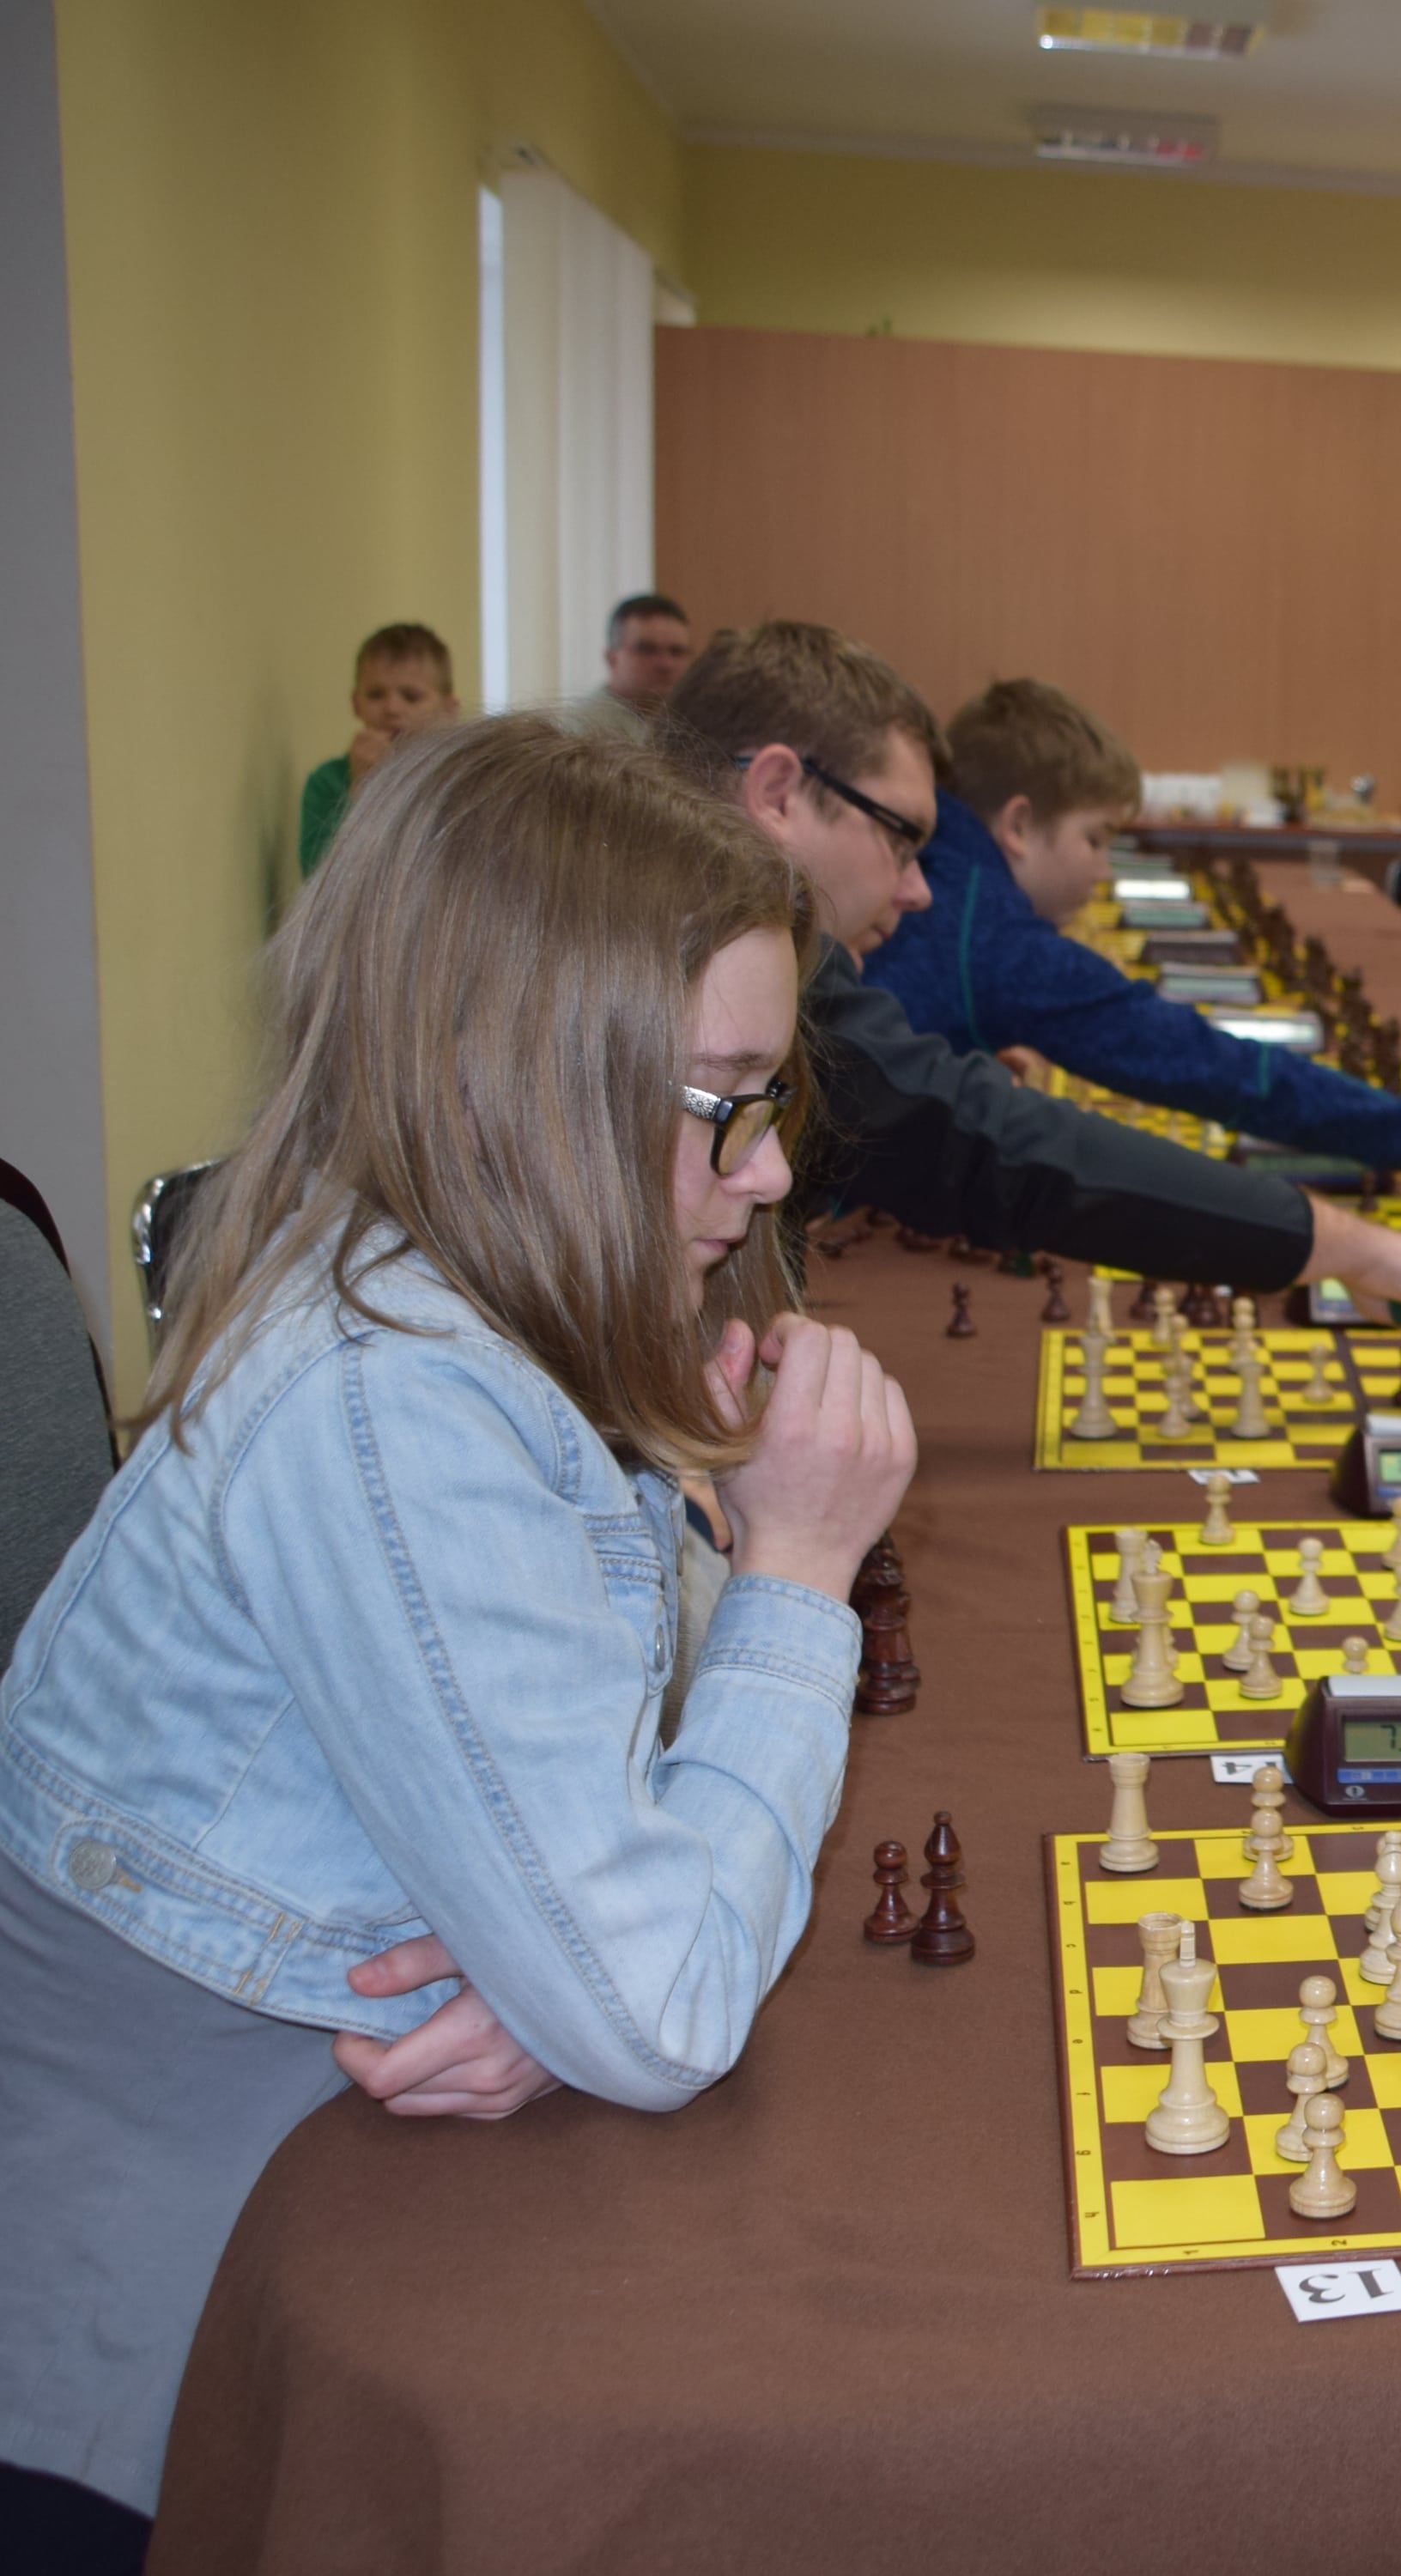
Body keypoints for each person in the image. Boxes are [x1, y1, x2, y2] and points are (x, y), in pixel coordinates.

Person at [0, 718, 914, 2555]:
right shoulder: (392, 1395)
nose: (768, 1177)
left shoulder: (493, 1285)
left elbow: (609, 1802)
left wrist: (554, 1954)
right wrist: (802, 1570)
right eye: (727, 1102)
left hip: (307, 2152)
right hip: (156, 2351)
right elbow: (663, 2005)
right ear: (526, 1087)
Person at [663, 623, 1401, 1348]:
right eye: (902, 839)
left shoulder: (684, 917)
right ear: (777, 793)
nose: (919, 892)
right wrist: (1352, 1239)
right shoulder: (925, 940)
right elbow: (1005, 1148)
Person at [861, 679, 1401, 1181]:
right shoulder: (995, 937)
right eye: (1096, 839)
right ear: (1017, 825)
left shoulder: (944, 866)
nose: (1102, 870)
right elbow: (1208, 1068)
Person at [296, 622, 456, 877]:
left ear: (449, 710)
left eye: (411, 697)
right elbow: (317, 873)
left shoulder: (458, 779)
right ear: (355, 704)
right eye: (375, 695)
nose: (391, 708)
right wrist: (362, 789)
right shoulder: (328, 782)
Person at [568, 592, 695, 746]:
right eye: (647, 650)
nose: (665, 664)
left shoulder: (695, 723)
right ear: (612, 659)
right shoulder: (582, 733)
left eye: (677, 652)